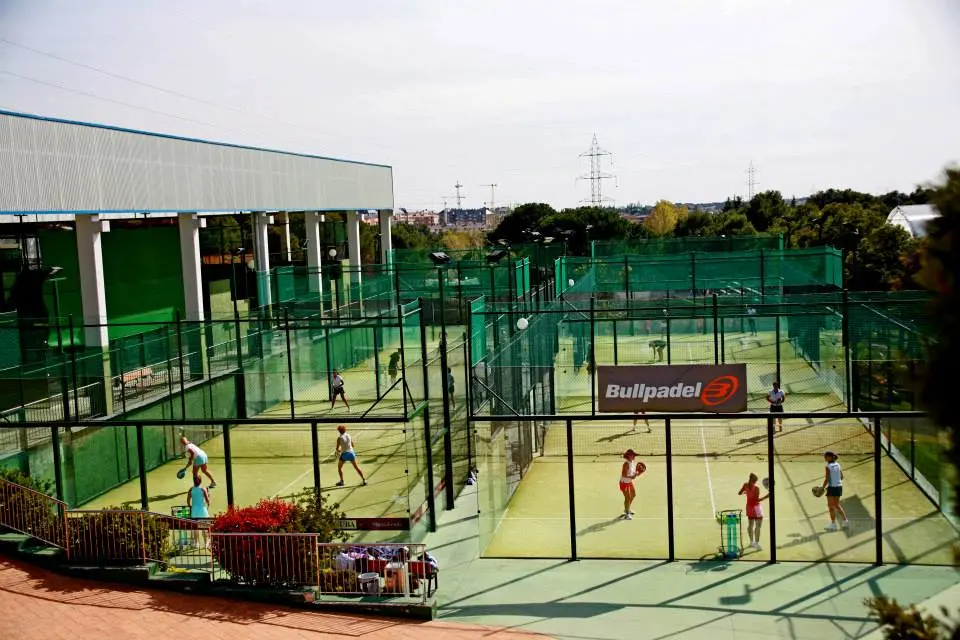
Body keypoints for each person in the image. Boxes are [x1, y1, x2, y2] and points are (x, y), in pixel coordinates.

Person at [738, 473, 768, 550]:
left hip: (749, 508)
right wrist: (767, 496)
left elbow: (739, 493)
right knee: (758, 526)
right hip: (756, 509)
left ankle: (751, 542)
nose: (756, 481)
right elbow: (756, 500)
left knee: (750, 525)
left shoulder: (745, 485)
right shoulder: (757, 488)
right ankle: (756, 544)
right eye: (756, 480)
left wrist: (746, 492)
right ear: (754, 480)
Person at [821, 451, 849, 531]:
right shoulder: (838, 464)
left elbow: (827, 479)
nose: (824, 457)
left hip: (832, 488)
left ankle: (833, 524)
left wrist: (822, 487)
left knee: (831, 507)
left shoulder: (828, 467)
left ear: (830, 457)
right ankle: (845, 521)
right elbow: (841, 477)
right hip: (839, 487)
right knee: (837, 505)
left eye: (825, 456)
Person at [619, 449, 646, 520]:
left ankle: (627, 509)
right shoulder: (626, 464)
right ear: (629, 456)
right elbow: (624, 474)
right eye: (633, 455)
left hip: (629, 482)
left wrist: (638, 473)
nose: (634, 456)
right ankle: (627, 514)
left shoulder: (633, 463)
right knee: (627, 498)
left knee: (633, 495)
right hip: (624, 483)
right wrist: (632, 476)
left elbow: (633, 473)